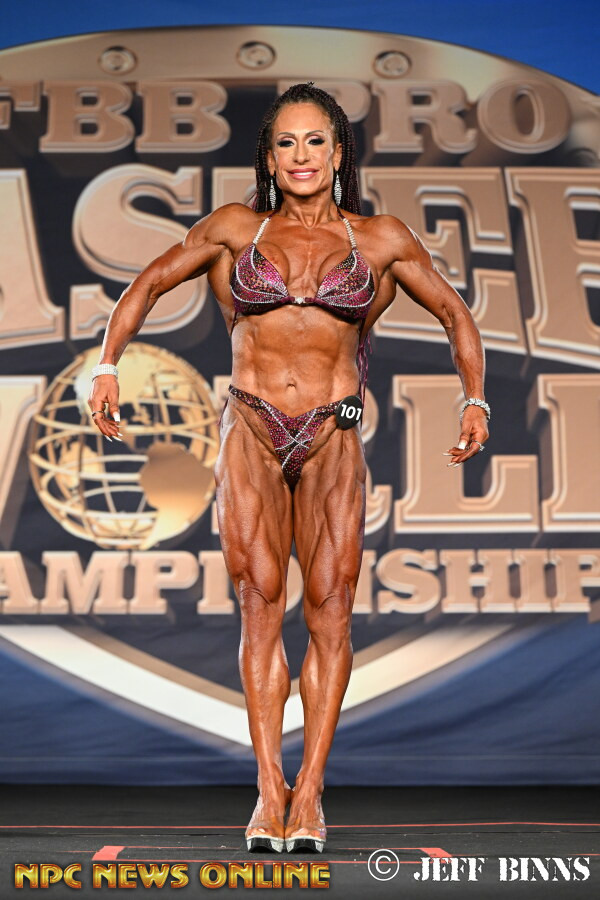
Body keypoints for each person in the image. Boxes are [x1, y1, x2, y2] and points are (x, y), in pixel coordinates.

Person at [88, 82, 489, 854]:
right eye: (286, 143)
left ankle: (310, 795)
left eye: (315, 142)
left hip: (334, 430)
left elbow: (454, 312)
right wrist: (107, 367)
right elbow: (148, 284)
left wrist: (476, 399)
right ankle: (269, 790)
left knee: (331, 609)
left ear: (338, 154)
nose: (301, 156)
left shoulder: (381, 239)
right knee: (259, 601)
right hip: (251, 426)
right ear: (268, 159)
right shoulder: (235, 230)